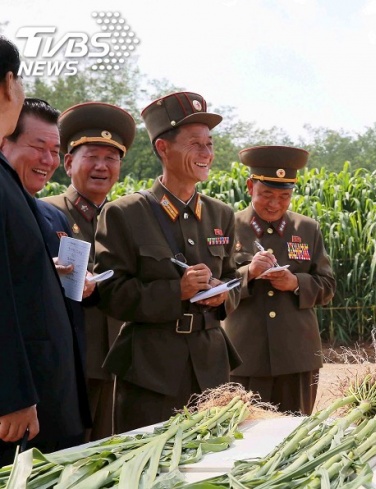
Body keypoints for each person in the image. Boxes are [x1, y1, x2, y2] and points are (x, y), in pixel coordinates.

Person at [94, 91, 241, 432]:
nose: (206, 153)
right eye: (195, 144)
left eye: (209, 144)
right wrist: (176, 291)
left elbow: (235, 278)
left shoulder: (221, 214)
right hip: (151, 373)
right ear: (163, 147)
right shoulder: (125, 213)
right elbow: (109, 293)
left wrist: (224, 293)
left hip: (211, 370)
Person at [0, 37, 88, 465]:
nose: (49, 160)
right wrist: (12, 393)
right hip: (18, 409)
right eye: (38, 147)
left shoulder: (50, 216)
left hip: (56, 398)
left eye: (56, 151)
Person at [43, 101, 136, 440]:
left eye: (111, 158)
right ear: (68, 163)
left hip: (117, 362)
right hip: (67, 364)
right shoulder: (45, 212)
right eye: (91, 156)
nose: (102, 166)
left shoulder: (126, 218)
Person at [224, 146, 336, 415]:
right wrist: (247, 273)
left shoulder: (307, 228)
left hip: (297, 357)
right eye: (266, 194)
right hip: (244, 356)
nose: (274, 204)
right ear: (251, 186)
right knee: (245, 436)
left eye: (284, 196)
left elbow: (328, 285)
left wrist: (295, 283)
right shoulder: (228, 225)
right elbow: (214, 287)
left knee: (295, 437)